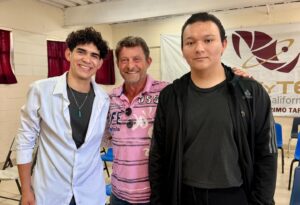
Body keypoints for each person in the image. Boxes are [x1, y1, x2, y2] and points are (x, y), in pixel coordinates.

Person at [103, 36, 251, 205]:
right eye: (124, 60)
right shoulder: (111, 99)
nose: (130, 66)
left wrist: (235, 78)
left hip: (156, 195)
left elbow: (204, 90)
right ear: (117, 64)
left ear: (149, 61)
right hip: (118, 195)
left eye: (137, 59)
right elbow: (104, 139)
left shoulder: (168, 93)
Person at [149, 12, 277, 205]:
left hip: (234, 195)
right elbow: (158, 154)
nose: (199, 48)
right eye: (190, 43)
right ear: (183, 50)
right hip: (184, 194)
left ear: (224, 45)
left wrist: (262, 201)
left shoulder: (250, 93)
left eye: (208, 40)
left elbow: (266, 154)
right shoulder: (171, 96)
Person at [16, 27, 110, 205]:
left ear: (99, 64)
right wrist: (26, 190)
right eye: (81, 52)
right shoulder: (41, 90)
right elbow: (25, 141)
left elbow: (103, 139)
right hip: (50, 190)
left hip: (89, 191)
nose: (87, 60)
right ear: (68, 54)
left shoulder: (104, 99)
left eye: (94, 55)